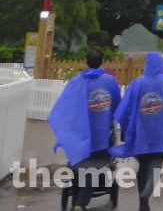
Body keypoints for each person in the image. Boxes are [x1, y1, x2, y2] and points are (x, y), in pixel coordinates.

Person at [111, 53, 163, 211]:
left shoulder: (137, 83)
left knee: (143, 167)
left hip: (141, 134)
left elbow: (125, 108)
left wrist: (128, 128)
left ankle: (142, 203)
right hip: (161, 133)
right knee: (156, 168)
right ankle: (145, 195)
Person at [49, 47, 121, 211]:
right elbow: (117, 106)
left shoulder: (75, 83)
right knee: (94, 169)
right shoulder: (109, 82)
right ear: (102, 62)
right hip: (102, 136)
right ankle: (80, 203)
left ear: (86, 62)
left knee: (77, 165)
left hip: (79, 136)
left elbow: (65, 107)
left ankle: (76, 201)